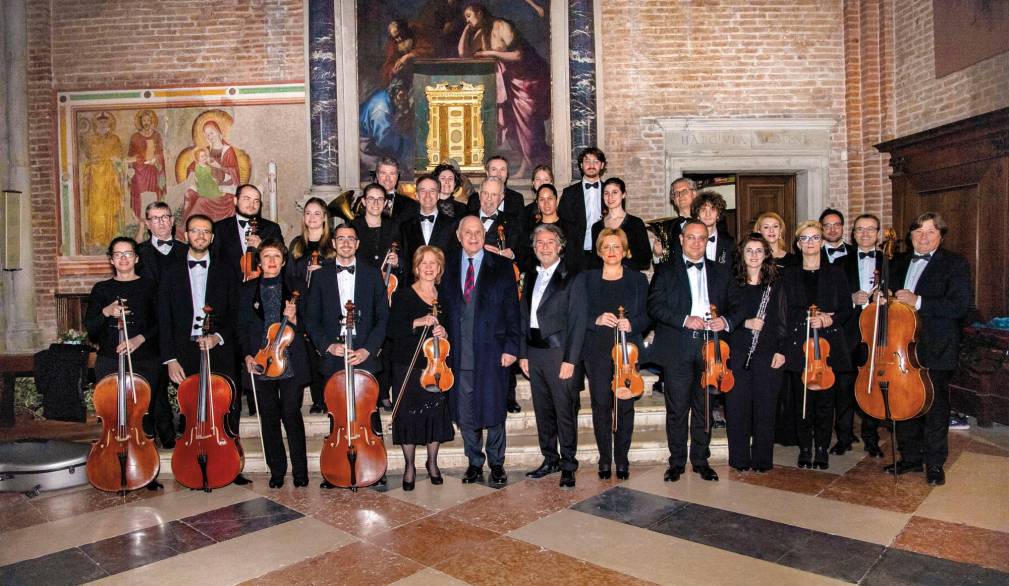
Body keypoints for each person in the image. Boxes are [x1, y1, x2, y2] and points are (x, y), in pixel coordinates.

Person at [158, 214, 249, 485]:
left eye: (205, 232)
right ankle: (192, 461)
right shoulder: (170, 272)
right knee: (191, 407)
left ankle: (232, 463)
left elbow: (237, 314)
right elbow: (164, 318)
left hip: (219, 348)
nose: (200, 236)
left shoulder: (227, 270)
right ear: (185, 235)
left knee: (227, 406)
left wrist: (218, 337)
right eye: (195, 231)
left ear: (212, 237)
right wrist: (170, 358)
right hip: (184, 350)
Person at [648, 219, 739, 483]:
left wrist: (726, 321)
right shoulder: (665, 271)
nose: (696, 243)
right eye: (691, 237)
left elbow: (737, 306)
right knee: (677, 408)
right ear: (681, 240)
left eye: (702, 238)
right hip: (678, 346)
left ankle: (701, 460)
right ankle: (676, 462)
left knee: (704, 407)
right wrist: (684, 319)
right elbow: (654, 306)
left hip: (711, 348)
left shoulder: (722, 271)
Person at [887, 212, 972, 486]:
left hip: (936, 347)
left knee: (935, 408)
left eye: (930, 232)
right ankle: (910, 457)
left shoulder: (955, 264)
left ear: (940, 236)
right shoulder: (898, 262)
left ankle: (934, 464)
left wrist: (918, 301)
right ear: (910, 235)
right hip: (901, 348)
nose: (923, 237)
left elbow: (959, 307)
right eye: (917, 232)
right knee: (904, 406)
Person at [303, 223, 390, 488]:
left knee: (369, 415)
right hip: (334, 354)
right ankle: (336, 469)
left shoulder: (373, 275)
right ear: (333, 243)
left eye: (351, 238)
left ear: (358, 244)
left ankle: (377, 467)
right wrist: (328, 346)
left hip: (364, 354)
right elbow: (310, 318)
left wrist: (367, 350)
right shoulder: (320, 277)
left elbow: (382, 317)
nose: (345, 243)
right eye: (340, 238)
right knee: (337, 415)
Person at [438, 216, 521, 485]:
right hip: (459, 352)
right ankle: (474, 462)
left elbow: (513, 311)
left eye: (478, 232)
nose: (473, 237)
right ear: (459, 236)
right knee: (465, 411)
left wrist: (511, 347)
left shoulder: (502, 266)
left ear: (484, 236)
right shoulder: (447, 265)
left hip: (493, 351)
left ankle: (497, 463)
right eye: (468, 232)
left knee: (495, 410)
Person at [84, 237, 164, 490]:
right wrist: (106, 312)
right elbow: (91, 329)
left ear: (136, 258)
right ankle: (112, 464)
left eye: (128, 253)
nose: (123, 258)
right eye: (117, 254)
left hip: (144, 359)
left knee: (143, 415)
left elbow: (161, 324)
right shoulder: (101, 290)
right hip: (110, 359)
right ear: (111, 260)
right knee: (113, 415)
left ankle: (147, 468)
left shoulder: (151, 286)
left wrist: (139, 339)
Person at [577, 228, 650, 481]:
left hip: (626, 353)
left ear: (625, 251)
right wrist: (595, 319)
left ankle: (622, 458)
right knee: (601, 405)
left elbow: (648, 314)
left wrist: (633, 324)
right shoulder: (587, 279)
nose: (611, 252)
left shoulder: (638, 280)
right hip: (596, 350)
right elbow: (576, 314)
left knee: (625, 403)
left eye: (616, 247)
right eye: (606, 247)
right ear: (599, 251)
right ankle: (605, 458)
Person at [780, 221, 852, 470]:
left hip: (828, 342)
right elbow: (783, 309)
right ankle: (805, 447)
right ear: (798, 245)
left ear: (822, 242)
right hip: (800, 341)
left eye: (814, 238)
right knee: (803, 399)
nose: (810, 243)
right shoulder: (788, 274)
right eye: (804, 239)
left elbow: (846, 308)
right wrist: (806, 317)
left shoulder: (836, 273)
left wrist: (829, 318)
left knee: (825, 400)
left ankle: (821, 447)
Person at [518, 224, 586, 489]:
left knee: (564, 411)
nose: (544, 247)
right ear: (534, 248)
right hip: (534, 353)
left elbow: (579, 322)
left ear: (560, 246)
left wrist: (571, 360)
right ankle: (550, 459)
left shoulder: (573, 277)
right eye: (539, 243)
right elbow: (524, 317)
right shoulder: (530, 276)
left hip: (560, 354)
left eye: (550, 242)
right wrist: (523, 353)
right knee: (543, 411)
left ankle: (569, 463)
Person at [238, 239, 309, 489]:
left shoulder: (297, 287)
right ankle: (277, 471)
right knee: (269, 417)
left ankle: (300, 471)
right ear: (259, 261)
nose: (271, 261)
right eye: (266, 256)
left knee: (291, 414)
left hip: (289, 359)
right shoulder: (247, 289)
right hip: (259, 360)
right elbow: (242, 327)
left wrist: (295, 317)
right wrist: (247, 355)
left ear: (283, 260)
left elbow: (309, 322)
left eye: (276, 257)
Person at [387, 246, 455, 491]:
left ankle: (432, 463)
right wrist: (418, 321)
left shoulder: (443, 298)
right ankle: (409, 466)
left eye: (433, 263)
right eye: (424, 263)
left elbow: (450, 333)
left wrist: (443, 332)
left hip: (436, 366)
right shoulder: (404, 295)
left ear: (439, 270)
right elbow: (392, 329)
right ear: (416, 268)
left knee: (435, 415)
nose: (428, 267)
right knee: (408, 418)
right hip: (408, 365)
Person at [458, 3, 550, 177]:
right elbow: (463, 54)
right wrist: (466, 29)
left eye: (469, 16)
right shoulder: (479, 33)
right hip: (507, 83)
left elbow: (519, 55)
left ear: (480, 12)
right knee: (510, 125)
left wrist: (490, 54)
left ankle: (536, 167)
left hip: (528, 78)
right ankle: (525, 166)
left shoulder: (501, 26)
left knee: (528, 124)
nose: (467, 20)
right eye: (465, 18)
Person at [726, 234, 787, 472]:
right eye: (749, 250)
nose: (754, 255)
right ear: (742, 254)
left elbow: (784, 319)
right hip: (738, 350)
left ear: (765, 254)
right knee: (737, 406)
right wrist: (745, 323)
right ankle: (739, 458)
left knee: (765, 407)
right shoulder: (732, 283)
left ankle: (762, 460)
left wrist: (782, 350)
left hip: (767, 351)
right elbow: (725, 317)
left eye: (759, 251)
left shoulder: (775, 283)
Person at [135, 201, 185, 445]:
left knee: (186, 381)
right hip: (151, 328)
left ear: (172, 221)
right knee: (155, 383)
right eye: (155, 218)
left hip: (182, 328)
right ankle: (164, 435)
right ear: (147, 224)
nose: (161, 222)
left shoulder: (187, 251)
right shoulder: (138, 254)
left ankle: (188, 430)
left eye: (165, 217)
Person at [834, 213, 884, 457]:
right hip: (848, 332)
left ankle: (871, 437)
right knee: (844, 387)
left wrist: (885, 299)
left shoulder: (890, 262)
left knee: (871, 386)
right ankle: (843, 437)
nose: (865, 234)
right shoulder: (840, 263)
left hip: (878, 332)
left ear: (878, 233)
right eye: (860, 230)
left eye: (870, 230)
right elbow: (833, 299)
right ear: (853, 235)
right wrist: (851, 299)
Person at [474, 176, 524, 414]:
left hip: (499, 291)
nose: (489, 199)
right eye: (486, 194)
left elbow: (524, 252)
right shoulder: (468, 221)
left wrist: (511, 254)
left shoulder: (513, 222)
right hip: (472, 290)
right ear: (479, 194)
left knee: (504, 337)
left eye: (495, 195)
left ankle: (508, 395)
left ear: (502, 198)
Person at [352, 182, 401, 410]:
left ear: (385, 203)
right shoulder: (354, 227)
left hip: (388, 295)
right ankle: (364, 392)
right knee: (364, 342)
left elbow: (406, 260)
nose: (374, 203)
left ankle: (383, 392)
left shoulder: (393, 227)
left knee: (387, 346)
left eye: (379, 199)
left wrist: (397, 262)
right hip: (360, 294)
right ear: (363, 202)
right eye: (370, 198)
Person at [286, 197, 336, 414]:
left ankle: (328, 398)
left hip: (326, 307)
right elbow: (288, 276)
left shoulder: (333, 245)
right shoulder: (297, 245)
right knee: (308, 355)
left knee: (324, 354)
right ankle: (317, 400)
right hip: (303, 305)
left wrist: (322, 271)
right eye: (308, 213)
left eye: (317, 213)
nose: (312, 217)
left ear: (325, 218)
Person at [211, 184, 284, 284]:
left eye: (256, 201)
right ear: (236, 201)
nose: (252, 204)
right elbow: (213, 263)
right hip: (229, 292)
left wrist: (262, 248)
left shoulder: (272, 228)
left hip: (261, 290)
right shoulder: (219, 228)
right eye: (247, 199)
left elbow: (283, 261)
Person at [400, 175, 459, 283]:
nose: (427, 195)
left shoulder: (453, 225)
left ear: (438, 195)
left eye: (432, 191)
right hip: (414, 288)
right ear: (417, 195)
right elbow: (405, 262)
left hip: (444, 288)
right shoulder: (405, 227)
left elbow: (455, 260)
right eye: (423, 191)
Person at [589, 178, 651, 271]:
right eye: (606, 193)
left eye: (614, 192)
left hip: (629, 278)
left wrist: (619, 266)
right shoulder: (596, 227)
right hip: (604, 279)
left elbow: (645, 259)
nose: (610, 197)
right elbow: (594, 261)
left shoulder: (636, 223)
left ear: (623, 194)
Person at [559, 147, 606, 271]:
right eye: (587, 161)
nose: (591, 165)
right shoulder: (569, 193)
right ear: (581, 165)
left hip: (605, 256)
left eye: (595, 161)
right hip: (575, 257)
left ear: (602, 165)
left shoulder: (611, 192)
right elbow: (563, 226)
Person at [466, 156, 527, 233]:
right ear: (487, 173)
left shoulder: (517, 199)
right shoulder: (474, 199)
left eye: (502, 169)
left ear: (507, 174)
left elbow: (520, 231)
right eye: (494, 169)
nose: (498, 174)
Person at [126, 110, 166, 221]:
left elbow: (160, 153)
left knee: (153, 193)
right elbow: (130, 155)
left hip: (152, 169)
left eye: (148, 120)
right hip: (138, 171)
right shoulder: (135, 137)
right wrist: (130, 169)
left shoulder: (156, 136)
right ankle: (140, 221)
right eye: (144, 120)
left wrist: (156, 159)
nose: (146, 122)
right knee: (138, 193)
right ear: (141, 122)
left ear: (151, 121)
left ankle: (153, 218)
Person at [692, 191, 736, 268]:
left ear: (718, 214)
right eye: (703, 210)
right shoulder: (690, 242)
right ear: (698, 215)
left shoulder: (729, 242)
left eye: (712, 209)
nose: (707, 214)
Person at [374, 157, 420, 223]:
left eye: (392, 174)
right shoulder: (363, 203)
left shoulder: (411, 205)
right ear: (377, 175)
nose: (387, 178)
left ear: (397, 176)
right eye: (383, 173)